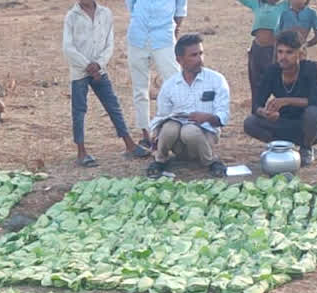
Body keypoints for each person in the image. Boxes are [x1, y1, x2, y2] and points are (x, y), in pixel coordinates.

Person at [64, 0, 152, 166]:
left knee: (113, 106)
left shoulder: (105, 14)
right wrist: (88, 66)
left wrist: (98, 65)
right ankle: (81, 152)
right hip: (79, 71)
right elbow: (68, 47)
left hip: (99, 69)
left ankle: (129, 145)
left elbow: (109, 44)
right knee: (79, 111)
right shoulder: (71, 16)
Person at [146, 33, 231, 178]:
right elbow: (161, 115)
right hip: (177, 142)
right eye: (193, 55)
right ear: (180, 60)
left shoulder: (216, 80)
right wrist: (157, 135)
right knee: (169, 128)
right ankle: (160, 160)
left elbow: (223, 115)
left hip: (205, 135)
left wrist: (207, 117)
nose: (200, 59)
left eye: (201, 54)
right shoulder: (170, 85)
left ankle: (210, 161)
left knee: (189, 130)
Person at [243, 30, 317, 166]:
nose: (283, 57)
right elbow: (256, 104)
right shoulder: (272, 71)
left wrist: (286, 100)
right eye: (280, 52)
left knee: (313, 113)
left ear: (299, 54)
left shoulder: (309, 69)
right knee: (250, 123)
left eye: (289, 52)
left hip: (305, 125)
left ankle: (306, 148)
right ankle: (281, 147)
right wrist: (265, 113)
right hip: (281, 122)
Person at [127, 0, 187, 148]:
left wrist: (174, 29)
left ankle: (169, 132)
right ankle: (145, 135)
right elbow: (131, 5)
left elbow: (180, 9)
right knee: (140, 89)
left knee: (175, 85)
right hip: (138, 36)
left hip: (164, 37)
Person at [233, 0, 286, 109]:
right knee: (255, 82)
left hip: (274, 50)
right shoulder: (257, 4)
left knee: (277, 80)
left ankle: (282, 110)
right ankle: (256, 111)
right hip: (257, 49)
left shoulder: (284, 5)